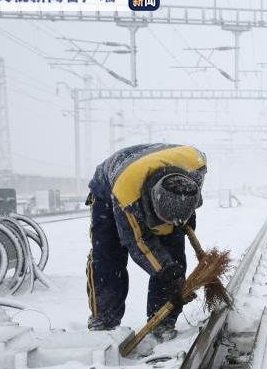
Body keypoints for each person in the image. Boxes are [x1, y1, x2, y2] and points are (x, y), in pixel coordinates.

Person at [86, 143, 206, 340]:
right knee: (108, 255)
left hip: (158, 165)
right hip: (109, 188)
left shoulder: (196, 164)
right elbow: (139, 243)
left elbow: (191, 201)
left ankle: (162, 319)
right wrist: (167, 274)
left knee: (173, 251)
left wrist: (188, 215)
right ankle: (104, 319)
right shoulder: (127, 195)